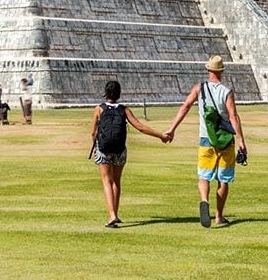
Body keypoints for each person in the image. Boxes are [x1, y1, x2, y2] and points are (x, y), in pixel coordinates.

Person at [165, 56, 248, 228]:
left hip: (206, 138)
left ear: (208, 70)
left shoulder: (199, 88)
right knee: (223, 179)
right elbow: (233, 116)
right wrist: (241, 140)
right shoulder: (226, 91)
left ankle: (204, 200)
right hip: (225, 140)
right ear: (222, 71)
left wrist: (172, 129)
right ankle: (219, 216)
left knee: (204, 176)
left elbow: (185, 106)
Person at [90, 80, 170, 228]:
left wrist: (95, 146)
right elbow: (140, 127)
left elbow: (93, 132)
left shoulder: (99, 109)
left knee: (107, 181)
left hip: (104, 149)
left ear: (106, 93)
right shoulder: (124, 109)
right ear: (119, 94)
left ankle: (112, 215)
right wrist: (161, 135)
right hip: (120, 150)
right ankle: (116, 214)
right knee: (116, 181)